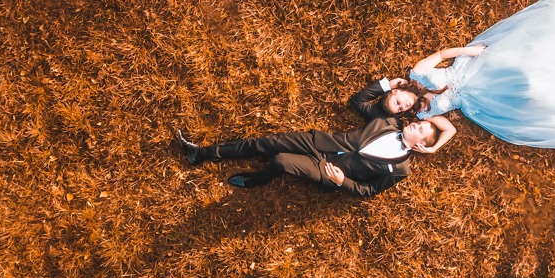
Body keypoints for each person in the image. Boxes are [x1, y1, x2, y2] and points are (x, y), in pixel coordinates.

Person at [350, 0, 555, 154]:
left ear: (397, 90)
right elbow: (449, 130)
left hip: (472, 70)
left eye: (397, 101)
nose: (403, 105)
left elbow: (443, 54)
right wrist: (434, 148)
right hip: (478, 99)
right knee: (526, 93)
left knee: (521, 65)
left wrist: (468, 51)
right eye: (401, 109)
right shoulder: (425, 113)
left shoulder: (418, 71)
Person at [174, 113, 456, 198]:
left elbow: (369, 191)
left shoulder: (401, 170)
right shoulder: (388, 122)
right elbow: (357, 102)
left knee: (280, 161)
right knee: (263, 143)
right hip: (318, 142)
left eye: (420, 128)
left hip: (328, 168)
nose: (417, 123)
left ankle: (254, 180)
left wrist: (341, 180)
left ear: (419, 145)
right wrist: (384, 86)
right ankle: (202, 154)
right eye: (420, 121)